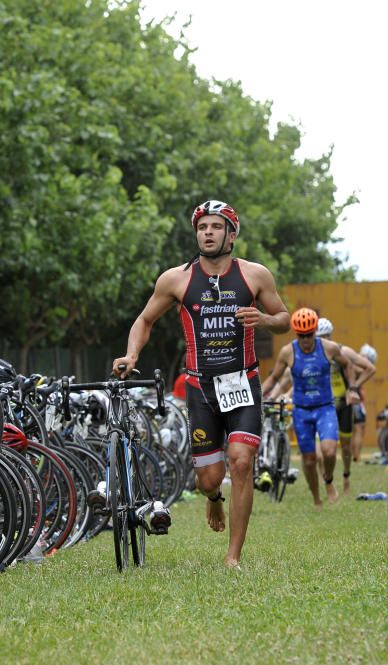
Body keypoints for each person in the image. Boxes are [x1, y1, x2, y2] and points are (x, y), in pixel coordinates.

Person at [112, 200, 290, 569]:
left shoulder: (255, 275)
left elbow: (284, 318)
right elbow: (145, 321)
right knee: (209, 479)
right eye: (202, 227)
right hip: (200, 389)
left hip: (243, 382)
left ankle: (233, 556)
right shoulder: (176, 279)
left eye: (215, 226)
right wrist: (132, 355)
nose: (207, 233)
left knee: (241, 462)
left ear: (231, 233)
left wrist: (264, 319)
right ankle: (213, 498)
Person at [261, 308, 373, 506]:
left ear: (314, 332)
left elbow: (347, 365)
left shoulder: (329, 348)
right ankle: (316, 499)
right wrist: (258, 396)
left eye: (309, 335)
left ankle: (329, 480)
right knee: (310, 459)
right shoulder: (288, 352)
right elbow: (274, 378)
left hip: (325, 408)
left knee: (329, 451)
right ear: (296, 334)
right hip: (301, 410)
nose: (305, 340)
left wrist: (352, 388)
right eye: (301, 336)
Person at [313, 317, 376, 493]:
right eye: (320, 337)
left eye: (327, 336)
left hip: (343, 405)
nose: (324, 340)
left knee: (346, 446)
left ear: (331, 335)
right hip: (323, 405)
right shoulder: (311, 353)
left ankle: (346, 475)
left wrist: (354, 387)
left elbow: (370, 368)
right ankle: (326, 482)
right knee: (321, 452)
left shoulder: (343, 351)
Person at [351, 343, 378, 464]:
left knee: (353, 429)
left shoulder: (353, 361)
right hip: (355, 399)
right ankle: (356, 457)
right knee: (359, 428)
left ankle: (354, 456)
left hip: (351, 398)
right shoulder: (359, 364)